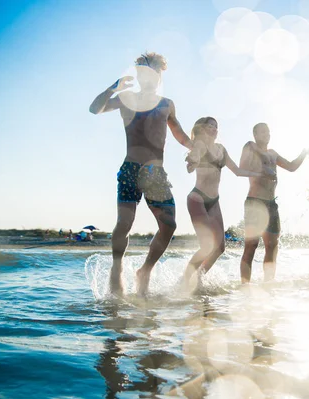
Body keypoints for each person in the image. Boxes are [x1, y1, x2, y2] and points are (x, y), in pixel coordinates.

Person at [89, 52, 192, 296]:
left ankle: (145, 270)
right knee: (124, 223)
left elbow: (180, 135)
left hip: (155, 173)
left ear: (159, 76)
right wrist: (113, 87)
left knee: (168, 225)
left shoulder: (166, 104)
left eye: (156, 72)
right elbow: (95, 109)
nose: (151, 75)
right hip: (131, 169)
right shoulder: (126, 99)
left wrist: (198, 148)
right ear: (138, 74)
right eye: (146, 70)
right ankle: (117, 269)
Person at [181, 117, 272, 292]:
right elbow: (194, 156)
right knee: (207, 245)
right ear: (201, 129)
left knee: (220, 247)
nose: (214, 129)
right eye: (210, 126)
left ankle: (199, 276)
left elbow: (237, 171)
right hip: (197, 198)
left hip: (214, 201)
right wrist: (192, 161)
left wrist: (260, 174)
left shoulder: (221, 149)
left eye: (216, 127)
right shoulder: (200, 145)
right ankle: (185, 281)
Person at [239, 123, 308, 283]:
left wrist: (304, 152)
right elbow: (241, 168)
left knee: (272, 246)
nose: (267, 134)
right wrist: (262, 172)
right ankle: (245, 287)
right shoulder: (250, 146)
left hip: (271, 204)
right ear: (255, 134)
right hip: (255, 202)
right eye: (263, 131)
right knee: (251, 245)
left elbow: (291, 167)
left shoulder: (273, 153)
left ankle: (268, 284)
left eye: (268, 132)